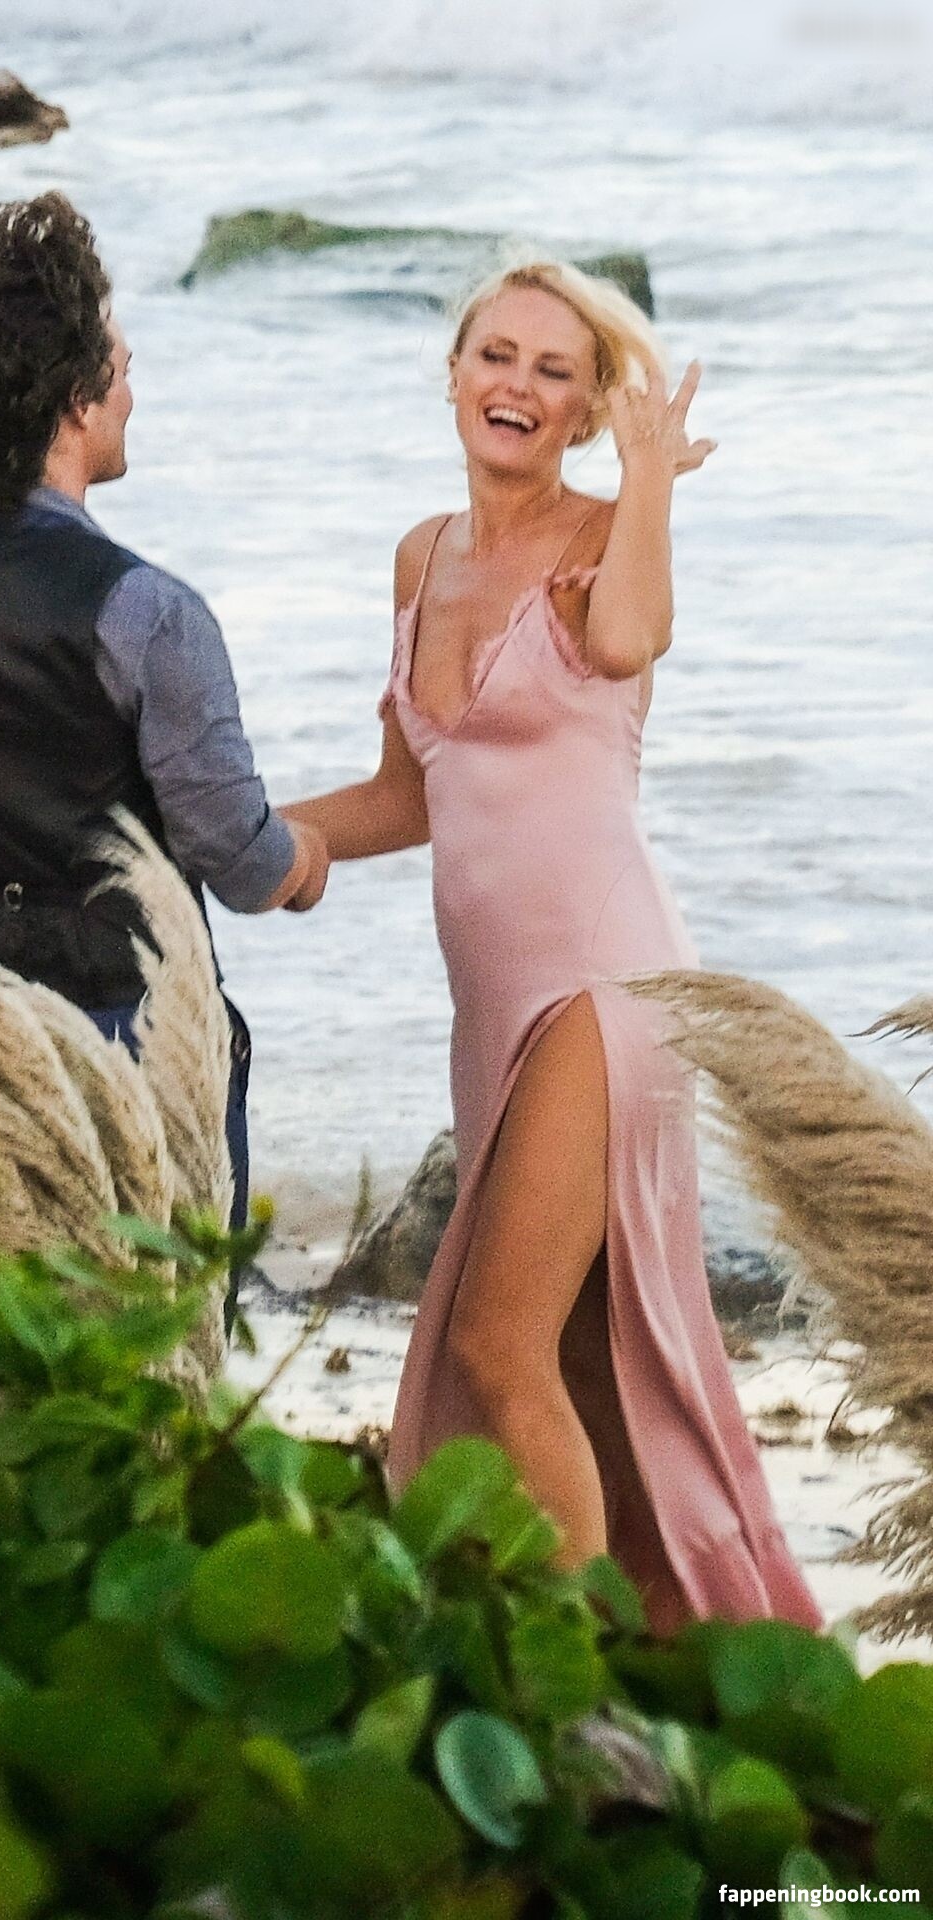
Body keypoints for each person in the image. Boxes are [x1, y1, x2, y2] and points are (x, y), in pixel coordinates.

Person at [282, 257, 822, 1633]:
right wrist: (244, 832)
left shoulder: (601, 539)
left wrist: (647, 486)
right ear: (452, 373)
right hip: (491, 1016)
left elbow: (632, 638)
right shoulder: (421, 557)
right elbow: (410, 792)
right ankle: (683, 1652)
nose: (515, 385)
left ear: (585, 410)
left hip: (604, 988)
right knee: (583, 1366)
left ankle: (576, 1687)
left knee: (493, 1340)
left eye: (552, 370)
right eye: (496, 355)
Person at [0, 193, 327, 1327]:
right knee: (158, 1346)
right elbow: (240, 863)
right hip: (128, 1032)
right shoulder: (148, 610)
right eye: (121, 371)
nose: (132, 393)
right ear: (75, 400)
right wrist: (308, 860)